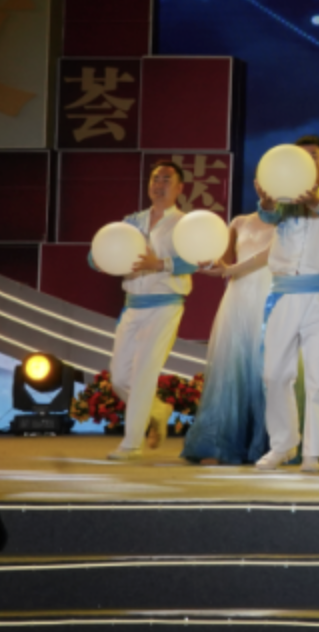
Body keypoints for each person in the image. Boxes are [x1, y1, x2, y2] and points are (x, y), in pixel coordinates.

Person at [256, 135, 319, 472]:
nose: (307, 161)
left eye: (314, 156)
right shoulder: (282, 204)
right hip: (284, 293)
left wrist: (313, 199)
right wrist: (267, 202)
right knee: (274, 374)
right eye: (301, 156)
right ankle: (283, 444)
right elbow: (267, 217)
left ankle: (313, 451)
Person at [92, 160, 194, 461]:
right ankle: (158, 410)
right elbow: (98, 252)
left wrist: (158, 264)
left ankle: (131, 444)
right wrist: (99, 259)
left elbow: (197, 261)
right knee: (119, 377)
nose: (159, 184)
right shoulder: (131, 222)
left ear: (179, 187)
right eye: (154, 179)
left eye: (166, 179)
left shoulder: (185, 224)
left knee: (143, 372)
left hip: (165, 304)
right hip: (133, 305)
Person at [180, 194, 275, 466]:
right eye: (261, 182)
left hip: (270, 298)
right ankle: (219, 443)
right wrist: (211, 265)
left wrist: (228, 269)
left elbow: (269, 257)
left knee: (268, 370)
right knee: (230, 369)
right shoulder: (239, 222)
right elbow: (224, 263)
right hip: (238, 299)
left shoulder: (289, 222)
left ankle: (268, 444)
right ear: (256, 185)